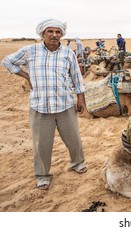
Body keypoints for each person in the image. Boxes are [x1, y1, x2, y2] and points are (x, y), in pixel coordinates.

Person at [1, 18, 87, 190]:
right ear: (42, 33)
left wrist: (81, 99)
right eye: (50, 31)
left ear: (62, 34)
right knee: (41, 144)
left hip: (65, 104)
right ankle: (42, 175)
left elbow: (77, 78)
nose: (55, 35)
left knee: (73, 139)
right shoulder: (30, 51)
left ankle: (77, 163)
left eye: (58, 32)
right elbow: (7, 61)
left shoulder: (68, 54)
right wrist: (26, 76)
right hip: (40, 106)